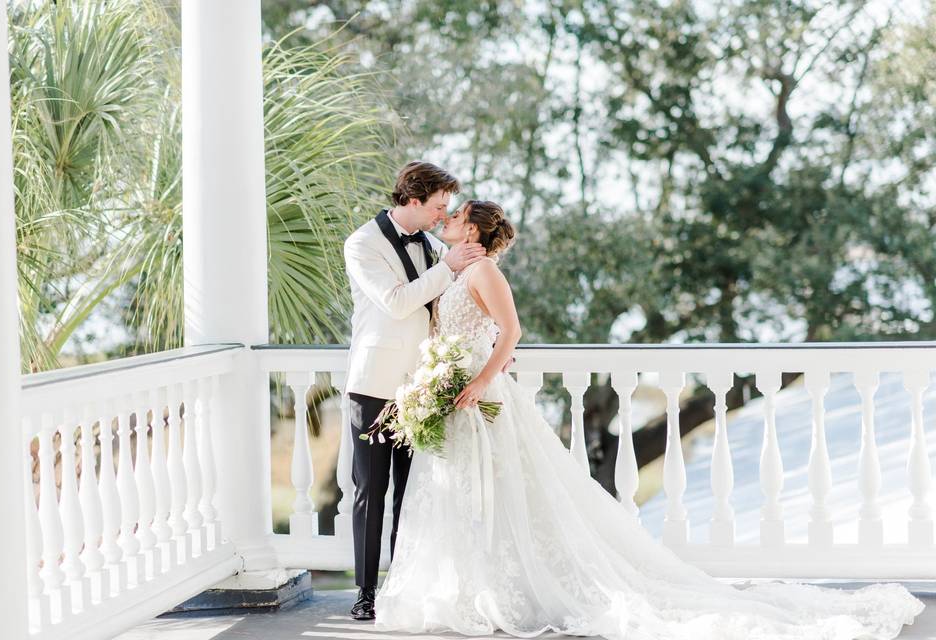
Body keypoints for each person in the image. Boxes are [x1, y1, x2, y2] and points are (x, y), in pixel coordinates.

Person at [373, 199, 925, 639]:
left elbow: (511, 332)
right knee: (466, 495)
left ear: (474, 229)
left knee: (507, 495)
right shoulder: (455, 272)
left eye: (457, 214)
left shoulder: (486, 271)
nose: (447, 219)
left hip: (481, 399)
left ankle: (511, 588)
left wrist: (477, 380)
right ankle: (472, 585)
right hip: (453, 396)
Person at [342, 161, 486, 620]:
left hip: (423, 387)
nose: (444, 216)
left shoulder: (429, 244)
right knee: (371, 491)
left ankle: (401, 588)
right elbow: (399, 302)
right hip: (375, 385)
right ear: (413, 199)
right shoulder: (363, 243)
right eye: (439, 206)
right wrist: (445, 266)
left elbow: (449, 307)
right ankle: (365, 593)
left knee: (413, 491)